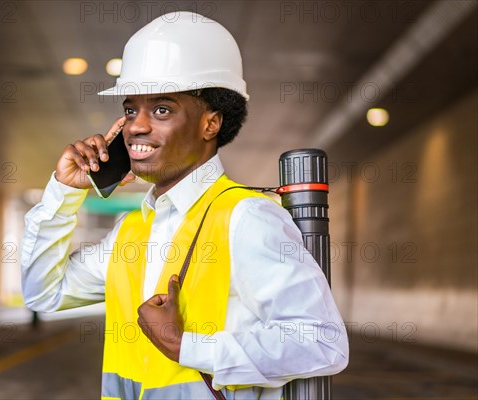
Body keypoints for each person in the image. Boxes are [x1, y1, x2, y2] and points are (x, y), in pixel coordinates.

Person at [21, 11, 348, 400]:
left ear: (210, 123)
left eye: (161, 109)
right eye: (130, 109)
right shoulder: (131, 232)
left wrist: (185, 345)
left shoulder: (247, 218)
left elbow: (321, 343)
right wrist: (63, 192)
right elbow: (43, 292)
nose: (136, 126)